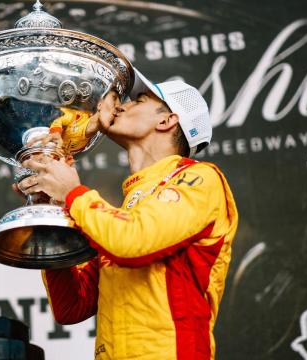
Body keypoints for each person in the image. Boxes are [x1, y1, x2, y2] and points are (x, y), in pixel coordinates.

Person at [18, 69, 239, 360]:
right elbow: (71, 306)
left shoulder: (201, 178)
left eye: (139, 100)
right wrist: (52, 212)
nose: (121, 105)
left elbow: (132, 241)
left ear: (167, 120)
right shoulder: (123, 214)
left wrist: (72, 192)